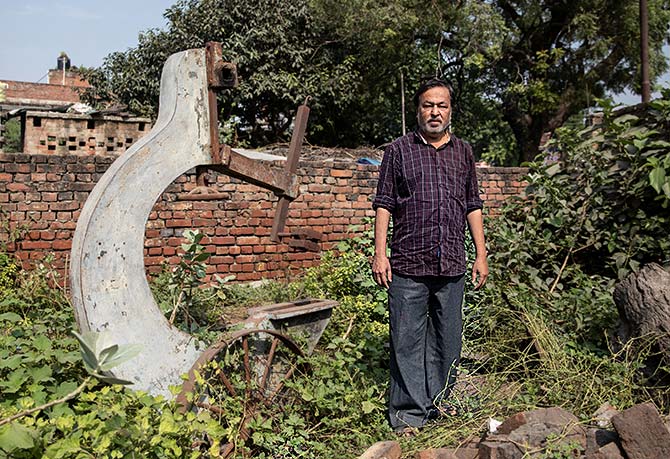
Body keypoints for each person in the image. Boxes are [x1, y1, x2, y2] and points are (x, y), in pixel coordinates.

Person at [371, 78, 488, 433]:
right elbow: (384, 204)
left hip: (451, 261)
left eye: (441, 106)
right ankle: (408, 414)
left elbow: (472, 205)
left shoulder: (463, 152)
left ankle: (440, 404)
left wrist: (481, 255)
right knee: (406, 339)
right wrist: (380, 254)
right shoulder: (398, 151)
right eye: (428, 105)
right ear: (418, 109)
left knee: (447, 339)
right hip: (407, 262)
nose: (434, 112)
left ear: (450, 110)